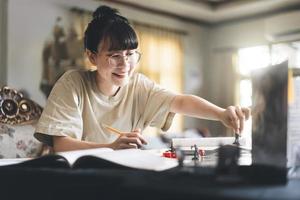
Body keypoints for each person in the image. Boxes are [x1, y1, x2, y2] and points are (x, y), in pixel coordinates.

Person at [34, 5, 250, 152]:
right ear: (92, 56)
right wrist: (110, 147)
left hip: (118, 178)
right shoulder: (72, 83)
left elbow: (180, 101)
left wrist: (221, 114)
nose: (125, 64)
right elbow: (61, 144)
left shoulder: (138, 85)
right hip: (72, 178)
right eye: (114, 55)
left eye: (130, 54)